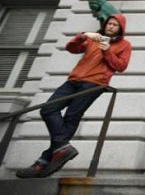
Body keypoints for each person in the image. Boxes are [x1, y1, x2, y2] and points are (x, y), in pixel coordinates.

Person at [16, 14, 132, 178]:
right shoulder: (94, 38)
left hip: (95, 83)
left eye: (115, 25)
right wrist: (81, 36)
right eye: (109, 23)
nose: (111, 26)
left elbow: (121, 66)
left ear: (120, 28)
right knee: (48, 109)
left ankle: (42, 162)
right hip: (74, 80)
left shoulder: (125, 45)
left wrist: (107, 52)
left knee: (72, 116)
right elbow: (72, 48)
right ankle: (61, 148)